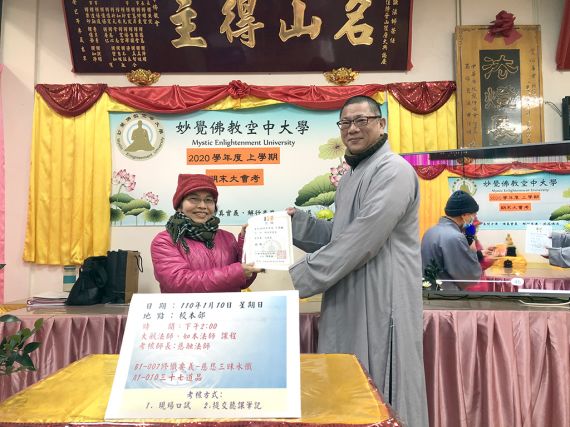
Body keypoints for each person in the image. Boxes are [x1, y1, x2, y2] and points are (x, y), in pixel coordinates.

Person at [287, 95, 428, 427]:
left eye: (361, 120)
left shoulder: (393, 170)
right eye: (346, 123)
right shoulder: (351, 177)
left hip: (382, 296)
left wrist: (293, 280)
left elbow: (362, 238)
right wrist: (294, 224)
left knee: (380, 389)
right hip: (347, 293)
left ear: (381, 124)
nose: (352, 129)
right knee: (345, 383)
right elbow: (341, 234)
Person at [151, 173, 262, 292]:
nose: (202, 206)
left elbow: (243, 282)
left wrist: (248, 244)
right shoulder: (165, 241)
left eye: (208, 200)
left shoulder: (228, 238)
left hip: (228, 304)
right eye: (194, 199)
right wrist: (237, 272)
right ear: (179, 206)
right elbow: (179, 282)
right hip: (188, 305)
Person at [421, 190, 491, 290]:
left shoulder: (430, 232)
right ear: (464, 215)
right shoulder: (456, 237)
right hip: (447, 294)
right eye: (473, 214)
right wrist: (472, 251)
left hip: (429, 291)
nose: (474, 218)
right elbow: (468, 276)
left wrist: (479, 253)